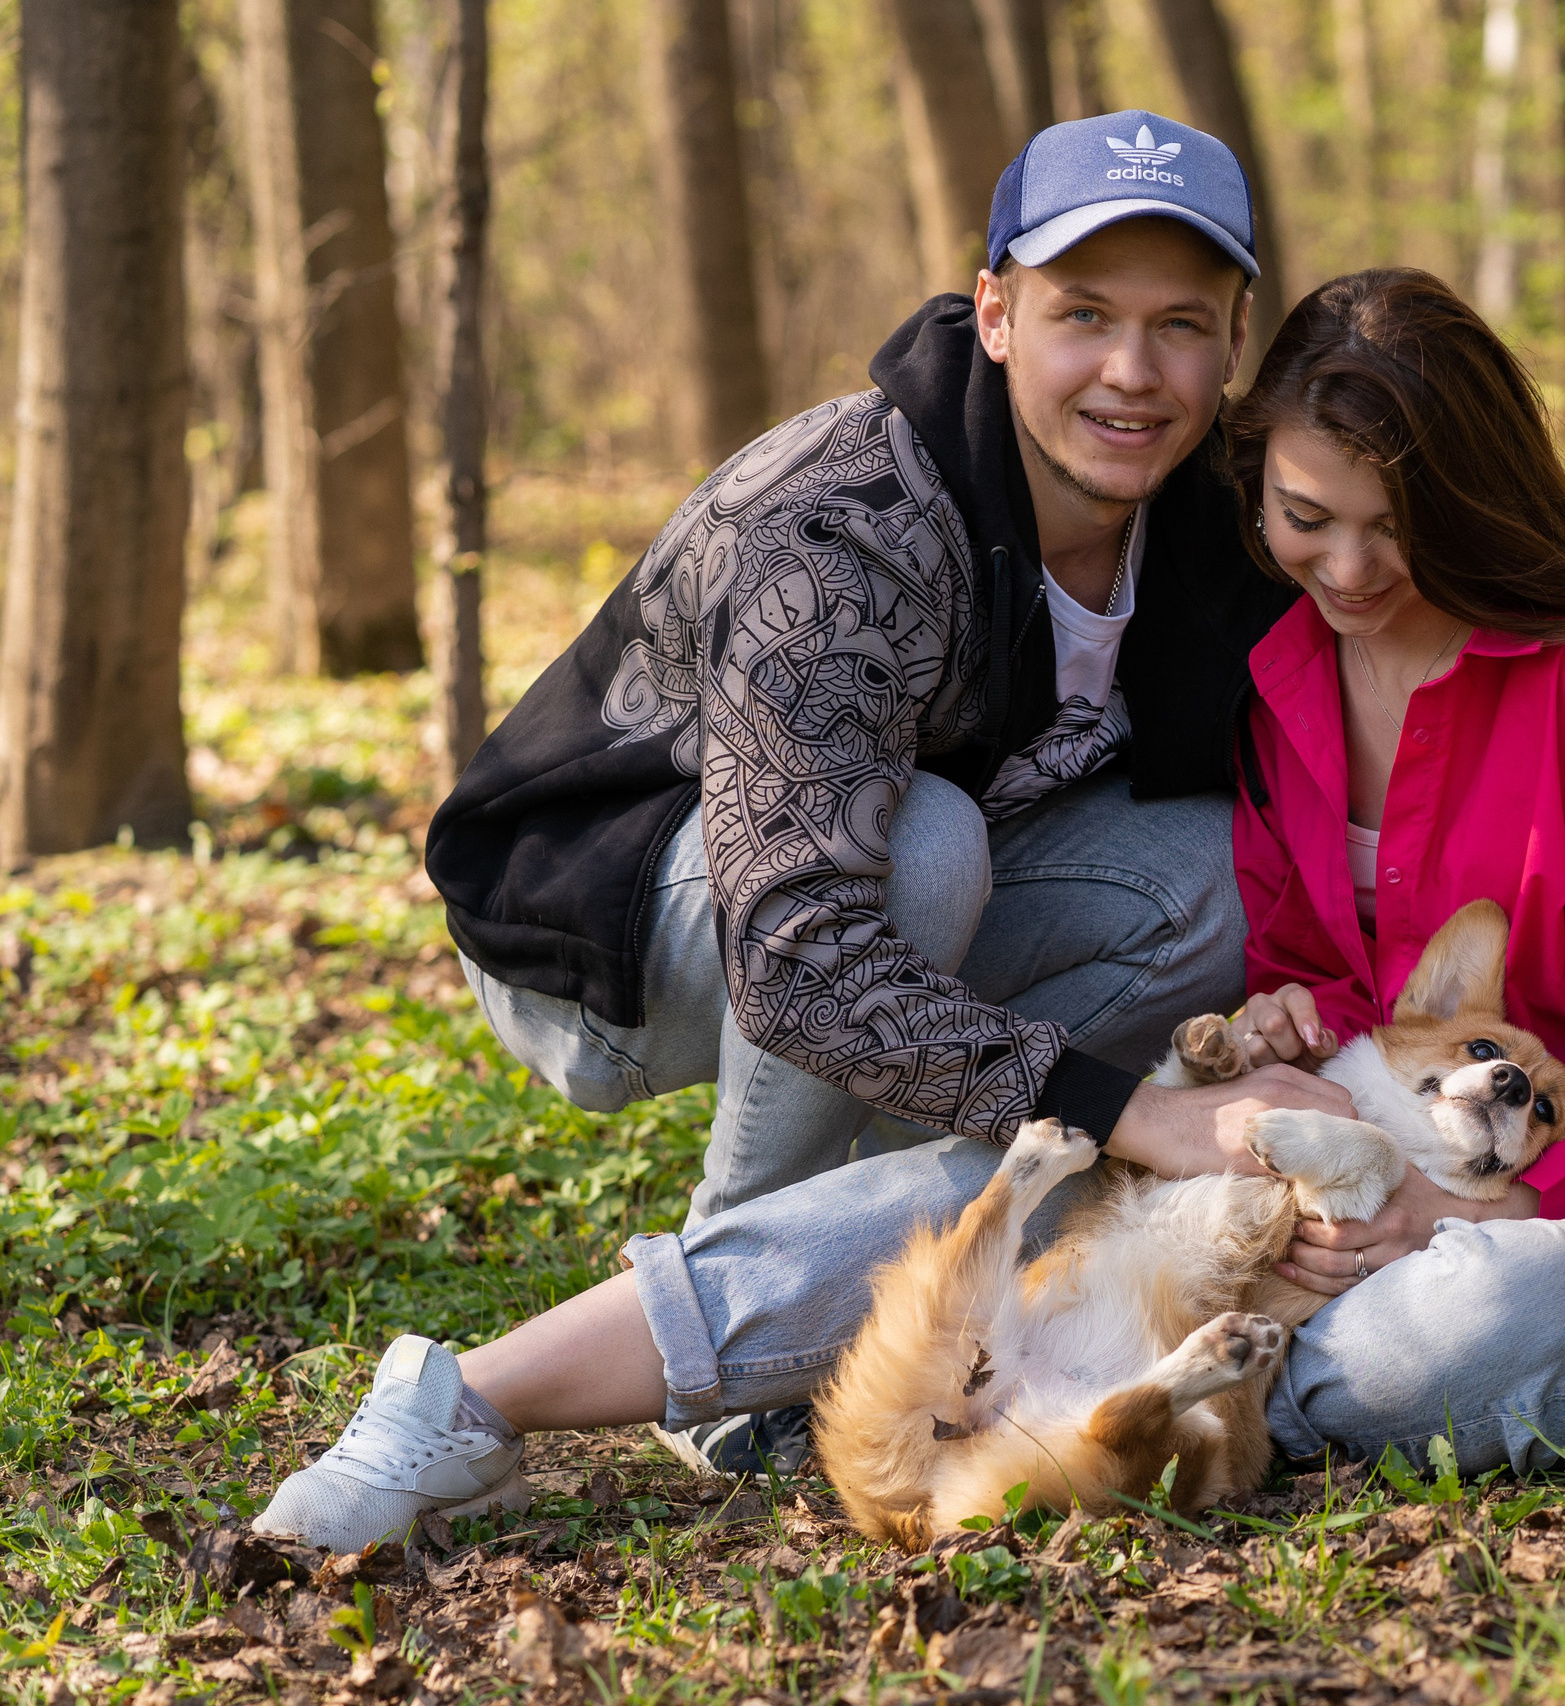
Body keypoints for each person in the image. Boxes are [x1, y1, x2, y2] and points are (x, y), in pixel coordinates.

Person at [253, 272, 1565, 1556]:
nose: (1348, 569)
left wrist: (1457, 1217)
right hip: (1364, 1181)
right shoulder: (1286, 666)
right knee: (1032, 1176)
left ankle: (1138, 1395)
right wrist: (1280, 1036)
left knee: (1452, 1322)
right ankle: (468, 1397)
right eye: (1306, 521)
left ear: (1479, 502)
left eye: (1401, 527)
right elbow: (1323, 955)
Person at [418, 111, 1347, 1477]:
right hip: (605, 942)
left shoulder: (1216, 516)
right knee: (919, 843)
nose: (1132, 372)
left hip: (916, 899)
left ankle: (924, 1269)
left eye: (1182, 325)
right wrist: (1115, 1106)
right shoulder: (841, 523)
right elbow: (799, 960)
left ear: (1231, 340)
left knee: (1207, 875)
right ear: (995, 310)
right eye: (1083, 313)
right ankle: (743, 1339)